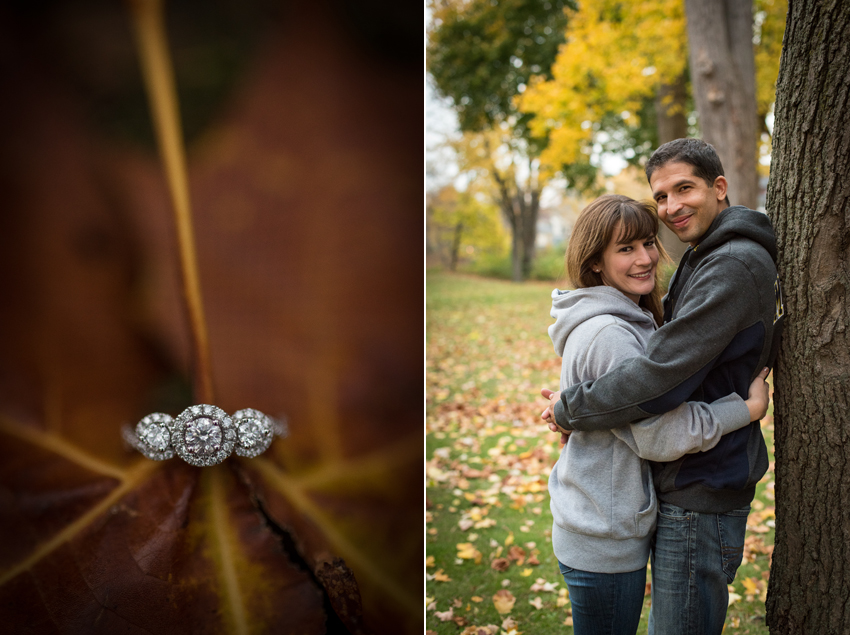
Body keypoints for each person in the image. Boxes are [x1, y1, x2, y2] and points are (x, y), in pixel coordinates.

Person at [542, 138, 785, 635]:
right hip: (678, 483)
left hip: (705, 481)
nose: (672, 207)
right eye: (662, 196)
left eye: (684, 189)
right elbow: (652, 377)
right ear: (595, 262)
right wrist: (579, 407)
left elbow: (654, 378)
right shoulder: (701, 259)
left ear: (719, 188)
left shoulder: (729, 263)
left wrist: (574, 408)